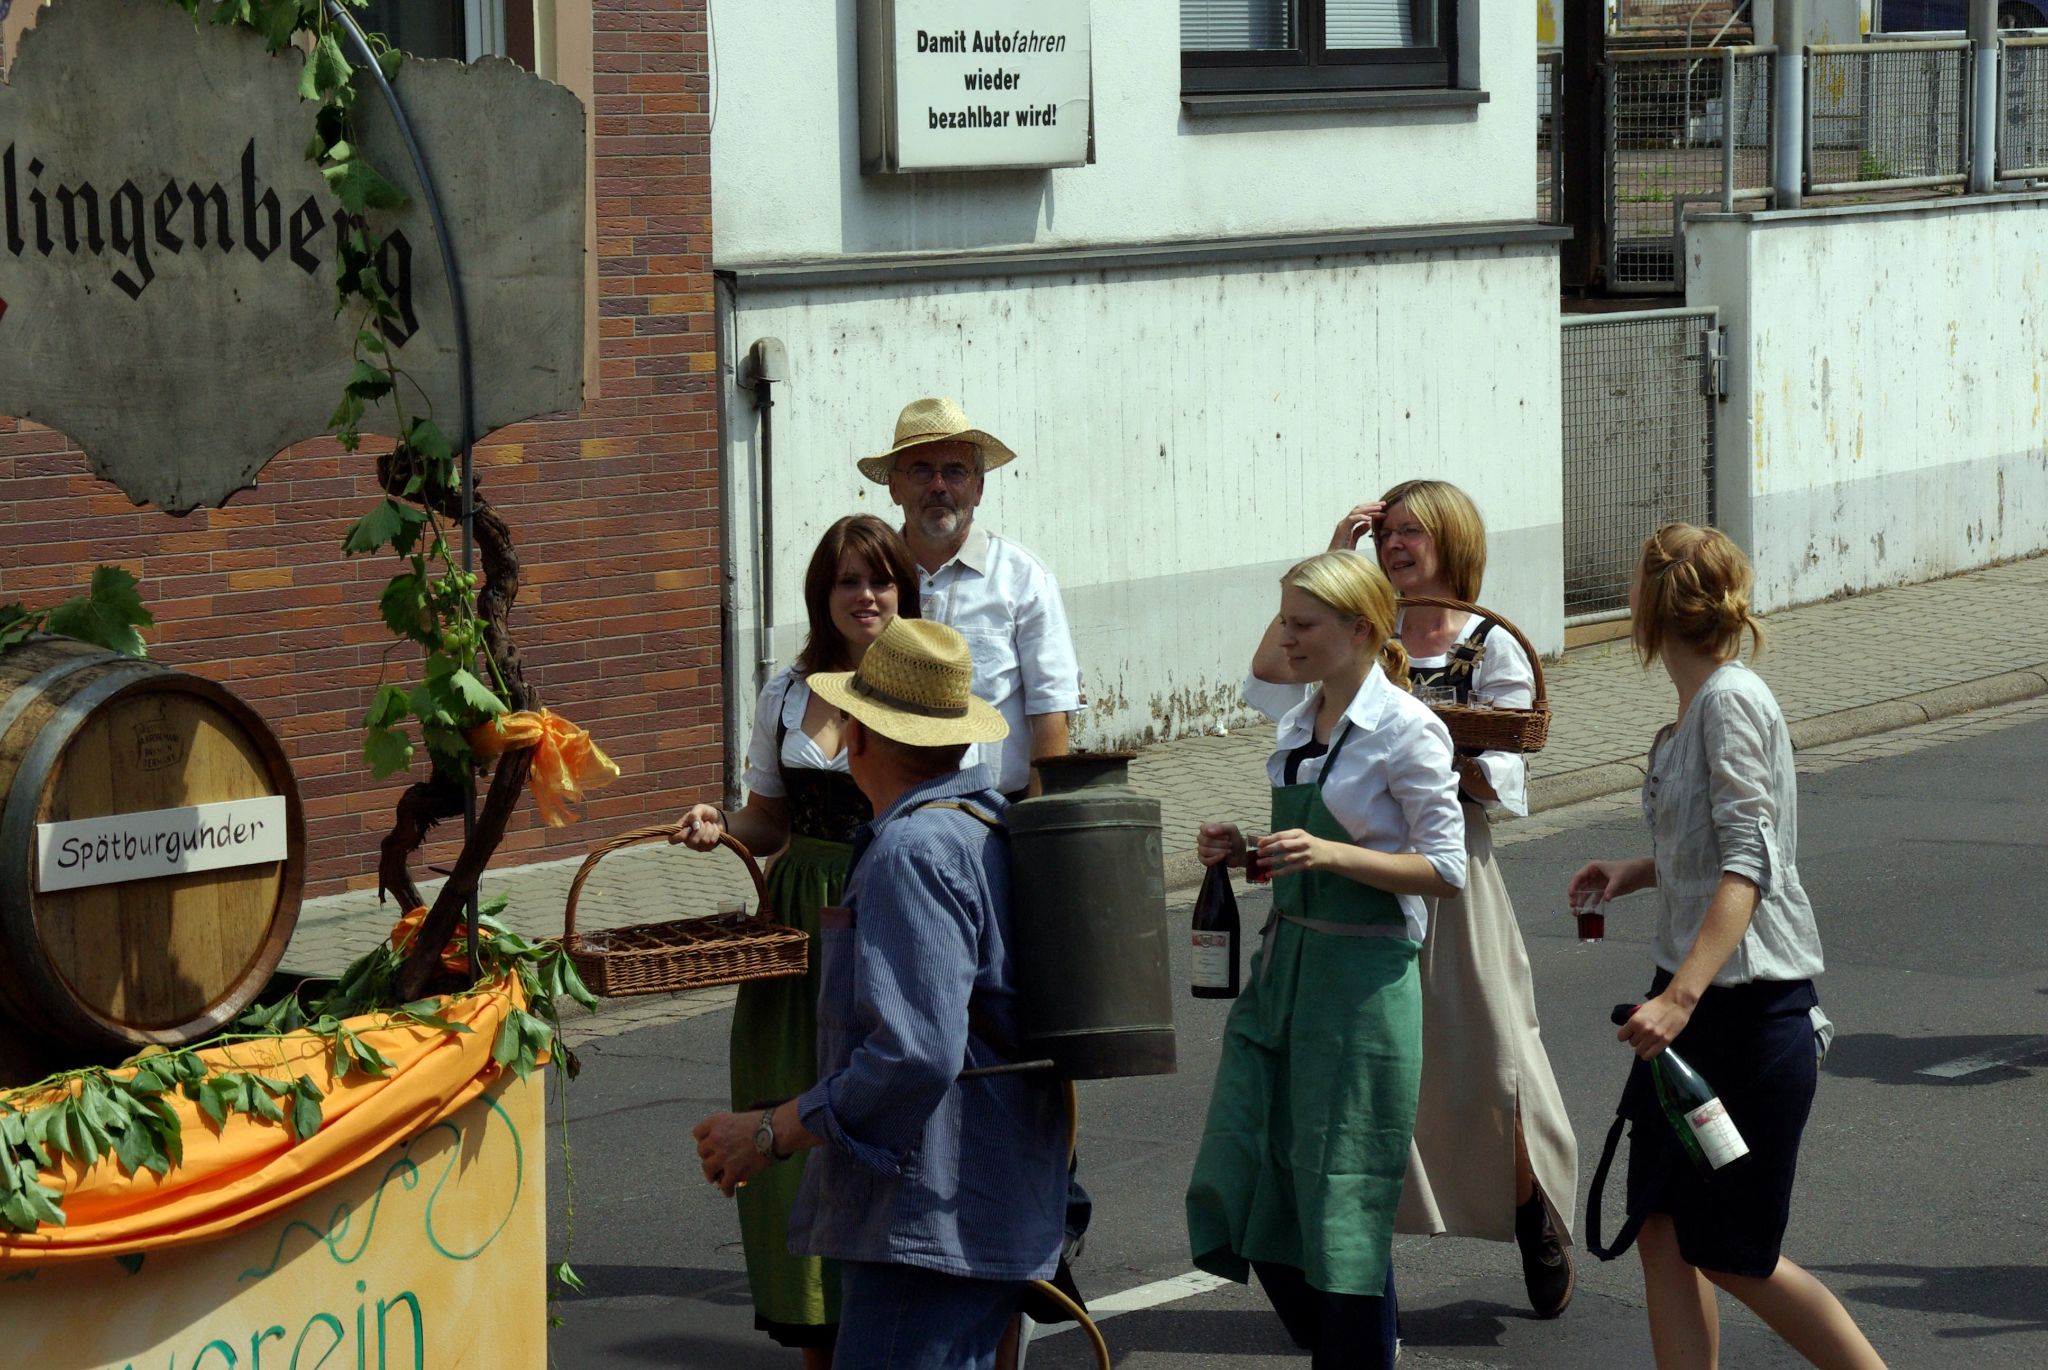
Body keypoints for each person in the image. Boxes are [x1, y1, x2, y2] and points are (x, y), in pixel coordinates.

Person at [693, 618, 1071, 1370]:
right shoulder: (977, 825)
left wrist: (770, 1131)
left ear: (858, 737)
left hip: (929, 1221)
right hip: (974, 1207)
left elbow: (912, 1056)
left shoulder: (913, 851)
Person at [1245, 482, 1580, 1318]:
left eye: (1410, 534)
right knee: (1361, 1078)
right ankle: (1351, 1275)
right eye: (1384, 533)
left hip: (1446, 872)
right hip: (1343, 877)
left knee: (1488, 1058)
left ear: (1453, 542)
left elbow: (1504, 781)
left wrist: (1419, 748)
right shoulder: (1365, 631)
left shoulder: (1488, 644)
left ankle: (1529, 1204)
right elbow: (1267, 673)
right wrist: (1334, 554)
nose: (1394, 546)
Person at [1568, 524, 1886, 1370]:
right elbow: (1712, 848)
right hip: (1698, 1011)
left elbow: (1750, 859)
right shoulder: (1697, 704)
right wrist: (1636, 872)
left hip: (1743, 1017)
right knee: (1663, 1233)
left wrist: (1679, 998)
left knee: (1733, 1251)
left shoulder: (1730, 701)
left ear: (1647, 602)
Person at [1187, 550, 1467, 1370]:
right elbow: (1302, 857)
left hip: (1361, 985)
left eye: (1303, 625)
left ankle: (1358, 1350)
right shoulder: (1298, 721)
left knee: (1343, 1190)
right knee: (1246, 1161)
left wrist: (1331, 856)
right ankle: (1348, 1338)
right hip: (1287, 973)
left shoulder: (1407, 729)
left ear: (1360, 630)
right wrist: (1244, 852)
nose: (1288, 638)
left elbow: (1445, 871)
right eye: (1285, 620)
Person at [676, 514, 921, 1368]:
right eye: (850, 581)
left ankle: (886, 1325)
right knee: (784, 1110)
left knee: (862, 1108)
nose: (867, 596)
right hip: (793, 922)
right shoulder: (787, 690)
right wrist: (721, 826)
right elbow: (768, 819)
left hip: (882, 898)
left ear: (904, 590)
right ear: (824, 594)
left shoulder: (922, 687)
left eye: (882, 580)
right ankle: (814, 1337)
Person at [859, 397, 1081, 802]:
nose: (938, 486)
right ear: (894, 487)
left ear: (978, 488)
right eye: (922, 470)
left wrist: (1036, 825)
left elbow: (1052, 709)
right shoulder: (868, 579)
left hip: (995, 810)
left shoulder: (1023, 578)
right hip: (888, 811)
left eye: (955, 471)